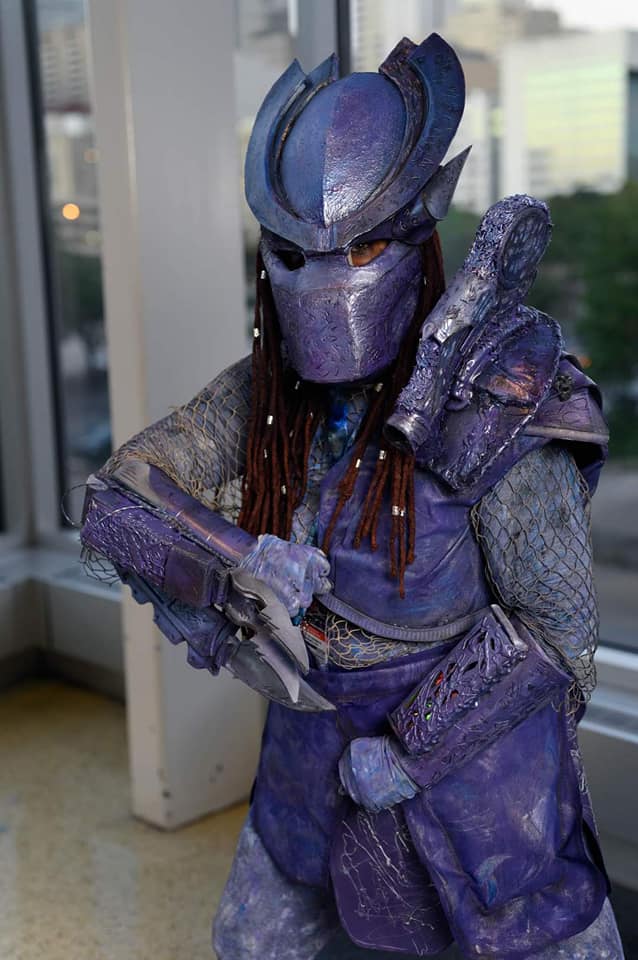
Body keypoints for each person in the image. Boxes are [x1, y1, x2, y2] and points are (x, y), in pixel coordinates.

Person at [81, 34, 625, 960]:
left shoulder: (496, 399)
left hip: (477, 777)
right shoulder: (265, 395)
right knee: (251, 940)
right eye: (294, 254)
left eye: (363, 245)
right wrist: (236, 560)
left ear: (416, 237)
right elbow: (117, 500)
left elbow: (556, 632)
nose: (328, 279)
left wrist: (416, 749)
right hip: (310, 755)